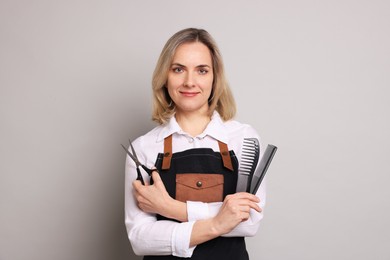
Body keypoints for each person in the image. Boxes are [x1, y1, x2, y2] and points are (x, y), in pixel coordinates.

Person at [125, 28, 266, 260]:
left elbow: (248, 222)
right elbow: (141, 239)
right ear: (165, 76)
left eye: (202, 70)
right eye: (178, 69)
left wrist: (172, 209)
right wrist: (217, 223)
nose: (190, 82)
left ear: (214, 77)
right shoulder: (143, 148)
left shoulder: (243, 138)